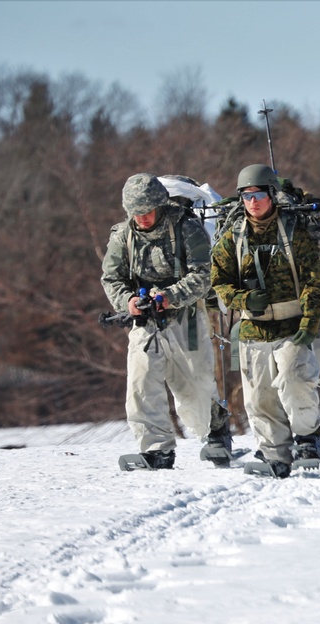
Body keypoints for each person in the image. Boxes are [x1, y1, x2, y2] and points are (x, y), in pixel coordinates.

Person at [101, 173, 231, 470]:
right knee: (141, 383)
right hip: (145, 322)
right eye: (136, 212)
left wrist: (171, 296)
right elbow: (112, 277)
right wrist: (128, 302)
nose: (142, 218)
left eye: (147, 211)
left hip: (186, 318)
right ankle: (157, 449)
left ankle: (216, 429)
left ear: (159, 205)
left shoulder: (186, 228)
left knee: (194, 388)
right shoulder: (123, 236)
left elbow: (203, 274)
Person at [210, 164, 320, 478]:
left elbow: (315, 280)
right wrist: (243, 300)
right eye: (247, 196)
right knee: (259, 396)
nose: (253, 202)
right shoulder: (233, 237)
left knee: (295, 381)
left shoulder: (292, 233)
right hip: (253, 328)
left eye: (259, 194)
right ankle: (274, 452)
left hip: (293, 324)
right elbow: (219, 282)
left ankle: (308, 437)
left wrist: (309, 324)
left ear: (272, 195)